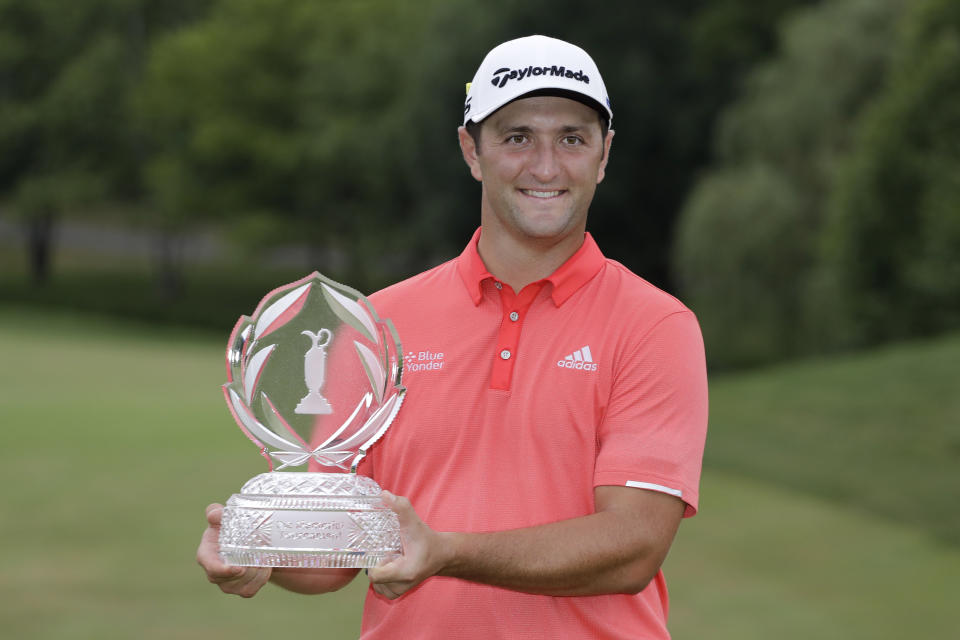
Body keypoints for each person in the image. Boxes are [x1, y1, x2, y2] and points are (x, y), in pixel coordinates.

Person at [197, 34, 708, 639]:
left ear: (604, 154)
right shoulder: (379, 325)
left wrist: (447, 551)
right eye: (517, 137)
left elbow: (633, 546)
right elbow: (336, 549)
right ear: (472, 150)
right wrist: (261, 552)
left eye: (571, 138)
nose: (546, 166)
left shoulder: (655, 325)